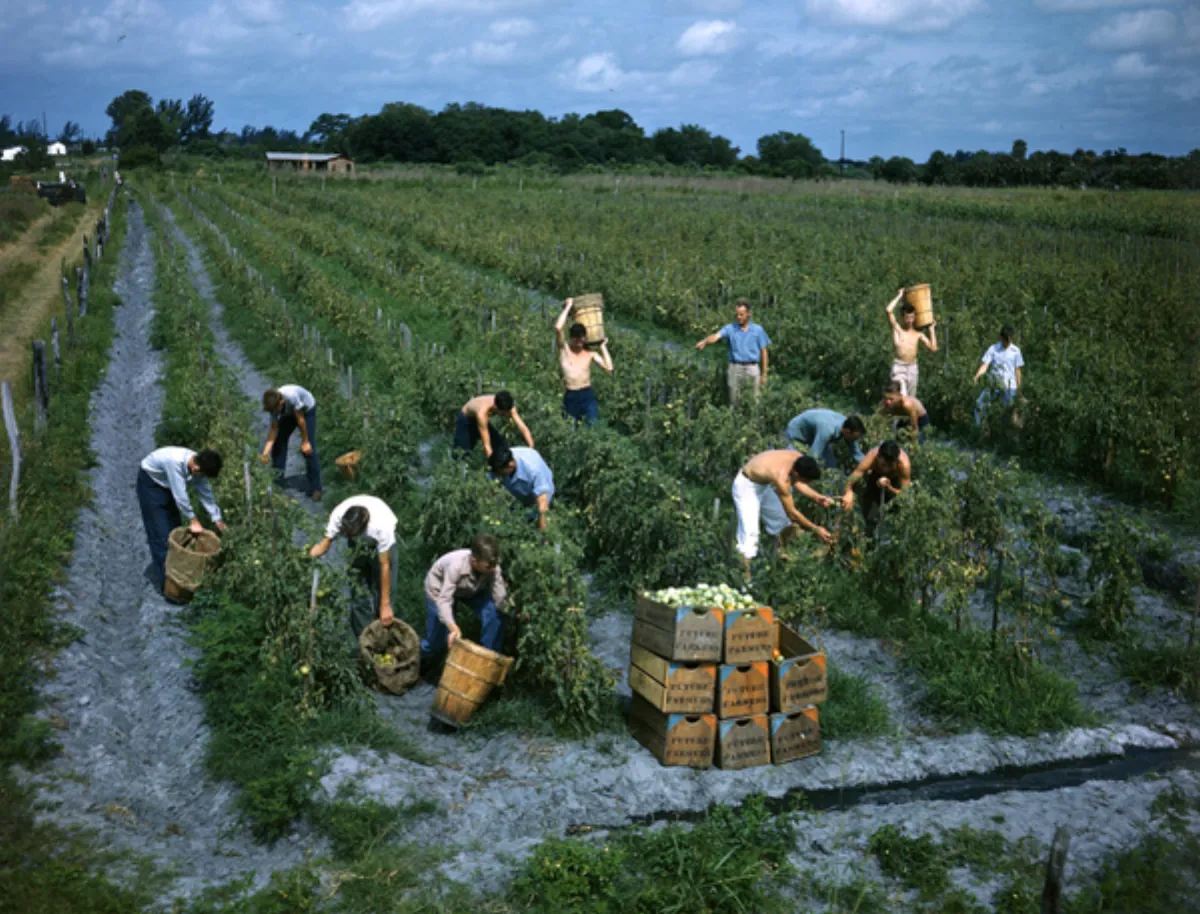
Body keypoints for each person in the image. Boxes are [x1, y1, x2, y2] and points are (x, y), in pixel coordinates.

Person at [137, 446, 226, 593]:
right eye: (202, 474)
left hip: (166, 484)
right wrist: (193, 519)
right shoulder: (174, 462)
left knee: (175, 529)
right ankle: (168, 588)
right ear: (196, 468)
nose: (202, 478)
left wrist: (217, 519)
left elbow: (205, 492)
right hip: (151, 484)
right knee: (160, 534)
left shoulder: (198, 464)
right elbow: (180, 495)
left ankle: (181, 579)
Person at [734, 450, 835, 576]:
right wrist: (816, 529)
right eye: (806, 481)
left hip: (763, 485)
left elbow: (798, 481)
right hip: (746, 487)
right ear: (797, 473)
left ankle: (776, 564)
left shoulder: (798, 459)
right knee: (750, 535)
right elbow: (792, 513)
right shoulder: (780, 477)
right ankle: (744, 581)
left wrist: (817, 497)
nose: (808, 484)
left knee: (781, 522)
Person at [310, 495, 398, 636]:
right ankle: (365, 636)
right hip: (358, 545)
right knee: (357, 588)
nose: (345, 536)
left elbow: (384, 563)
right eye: (345, 533)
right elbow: (325, 544)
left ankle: (384, 632)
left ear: (362, 529)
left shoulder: (381, 528)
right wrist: (312, 554)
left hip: (381, 549)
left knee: (384, 591)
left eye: (350, 534)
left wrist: (385, 604)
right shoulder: (339, 515)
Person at [421, 534, 508, 660]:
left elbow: (500, 598)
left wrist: (511, 611)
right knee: (436, 642)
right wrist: (453, 627)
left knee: (494, 613)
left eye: (494, 565)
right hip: (440, 589)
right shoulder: (456, 566)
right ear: (474, 561)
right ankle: (415, 664)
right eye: (488, 567)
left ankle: (487, 657)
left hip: (471, 589)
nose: (492, 569)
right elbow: (444, 600)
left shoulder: (492, 568)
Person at [695, 298, 771, 408]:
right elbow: (716, 336)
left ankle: (753, 423)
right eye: (737, 314)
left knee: (754, 401)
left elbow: (764, 352)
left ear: (748, 314)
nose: (738, 317)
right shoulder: (730, 328)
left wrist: (764, 374)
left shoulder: (757, 330)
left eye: (741, 314)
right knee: (734, 401)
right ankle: (734, 422)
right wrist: (705, 341)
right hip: (735, 368)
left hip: (752, 368)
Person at [555, 298, 614, 425]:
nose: (579, 341)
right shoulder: (565, 350)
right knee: (570, 428)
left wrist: (603, 347)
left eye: (581, 338)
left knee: (593, 427)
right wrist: (568, 306)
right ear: (571, 338)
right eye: (576, 338)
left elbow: (609, 368)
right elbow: (558, 328)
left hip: (587, 395)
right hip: (571, 395)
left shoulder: (590, 354)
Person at [260, 384, 322, 501]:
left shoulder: (291, 396)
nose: (274, 413)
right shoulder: (273, 404)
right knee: (279, 444)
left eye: (275, 410)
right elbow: (274, 429)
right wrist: (265, 452)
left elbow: (300, 420)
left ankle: (316, 488)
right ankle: (278, 484)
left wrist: (305, 441)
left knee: (308, 449)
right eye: (272, 411)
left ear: (281, 402)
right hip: (289, 413)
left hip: (306, 410)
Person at [841, 440, 911, 537]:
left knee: (894, 514)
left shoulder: (903, 465)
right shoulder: (871, 456)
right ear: (878, 457)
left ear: (896, 462)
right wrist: (848, 492)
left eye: (890, 466)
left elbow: (905, 494)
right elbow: (856, 474)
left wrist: (889, 488)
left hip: (893, 484)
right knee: (869, 511)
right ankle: (866, 535)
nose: (886, 469)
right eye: (883, 465)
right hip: (874, 477)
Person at [886, 288, 937, 396]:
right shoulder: (897, 330)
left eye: (912, 317)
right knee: (901, 395)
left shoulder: (918, 334)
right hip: (899, 367)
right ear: (902, 317)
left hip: (912, 368)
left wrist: (931, 330)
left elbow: (933, 348)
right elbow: (889, 310)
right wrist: (899, 295)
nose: (910, 321)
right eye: (907, 318)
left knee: (910, 399)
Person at [489, 447, 554, 530]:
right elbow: (491, 485)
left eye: (499, 472)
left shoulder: (534, 470)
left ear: (511, 465)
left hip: (539, 492)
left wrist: (545, 536)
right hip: (518, 491)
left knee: (537, 520)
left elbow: (543, 506)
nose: (497, 475)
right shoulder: (501, 459)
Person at [455, 391, 534, 459]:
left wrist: (531, 449)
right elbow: (486, 445)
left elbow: (523, 428)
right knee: (462, 452)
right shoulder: (482, 412)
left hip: (479, 419)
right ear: (496, 407)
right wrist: (492, 465)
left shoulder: (509, 406)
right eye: (504, 412)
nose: (506, 414)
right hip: (465, 419)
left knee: (501, 446)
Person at [974, 326, 1024, 425]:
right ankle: (980, 430)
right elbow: (985, 365)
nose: (1007, 342)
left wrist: (1019, 389)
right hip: (994, 385)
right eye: (1005, 339)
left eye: (1009, 340)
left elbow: (1017, 371)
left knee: (1009, 413)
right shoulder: (993, 349)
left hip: (1010, 387)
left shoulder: (1016, 351)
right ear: (1000, 337)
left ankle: (1005, 435)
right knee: (979, 405)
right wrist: (977, 376)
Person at [786, 409, 866, 470]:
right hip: (797, 433)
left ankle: (828, 488)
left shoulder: (848, 426)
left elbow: (856, 453)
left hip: (813, 436)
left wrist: (869, 466)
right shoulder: (827, 430)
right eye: (855, 438)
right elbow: (814, 455)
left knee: (830, 464)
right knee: (794, 464)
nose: (855, 440)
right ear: (847, 432)